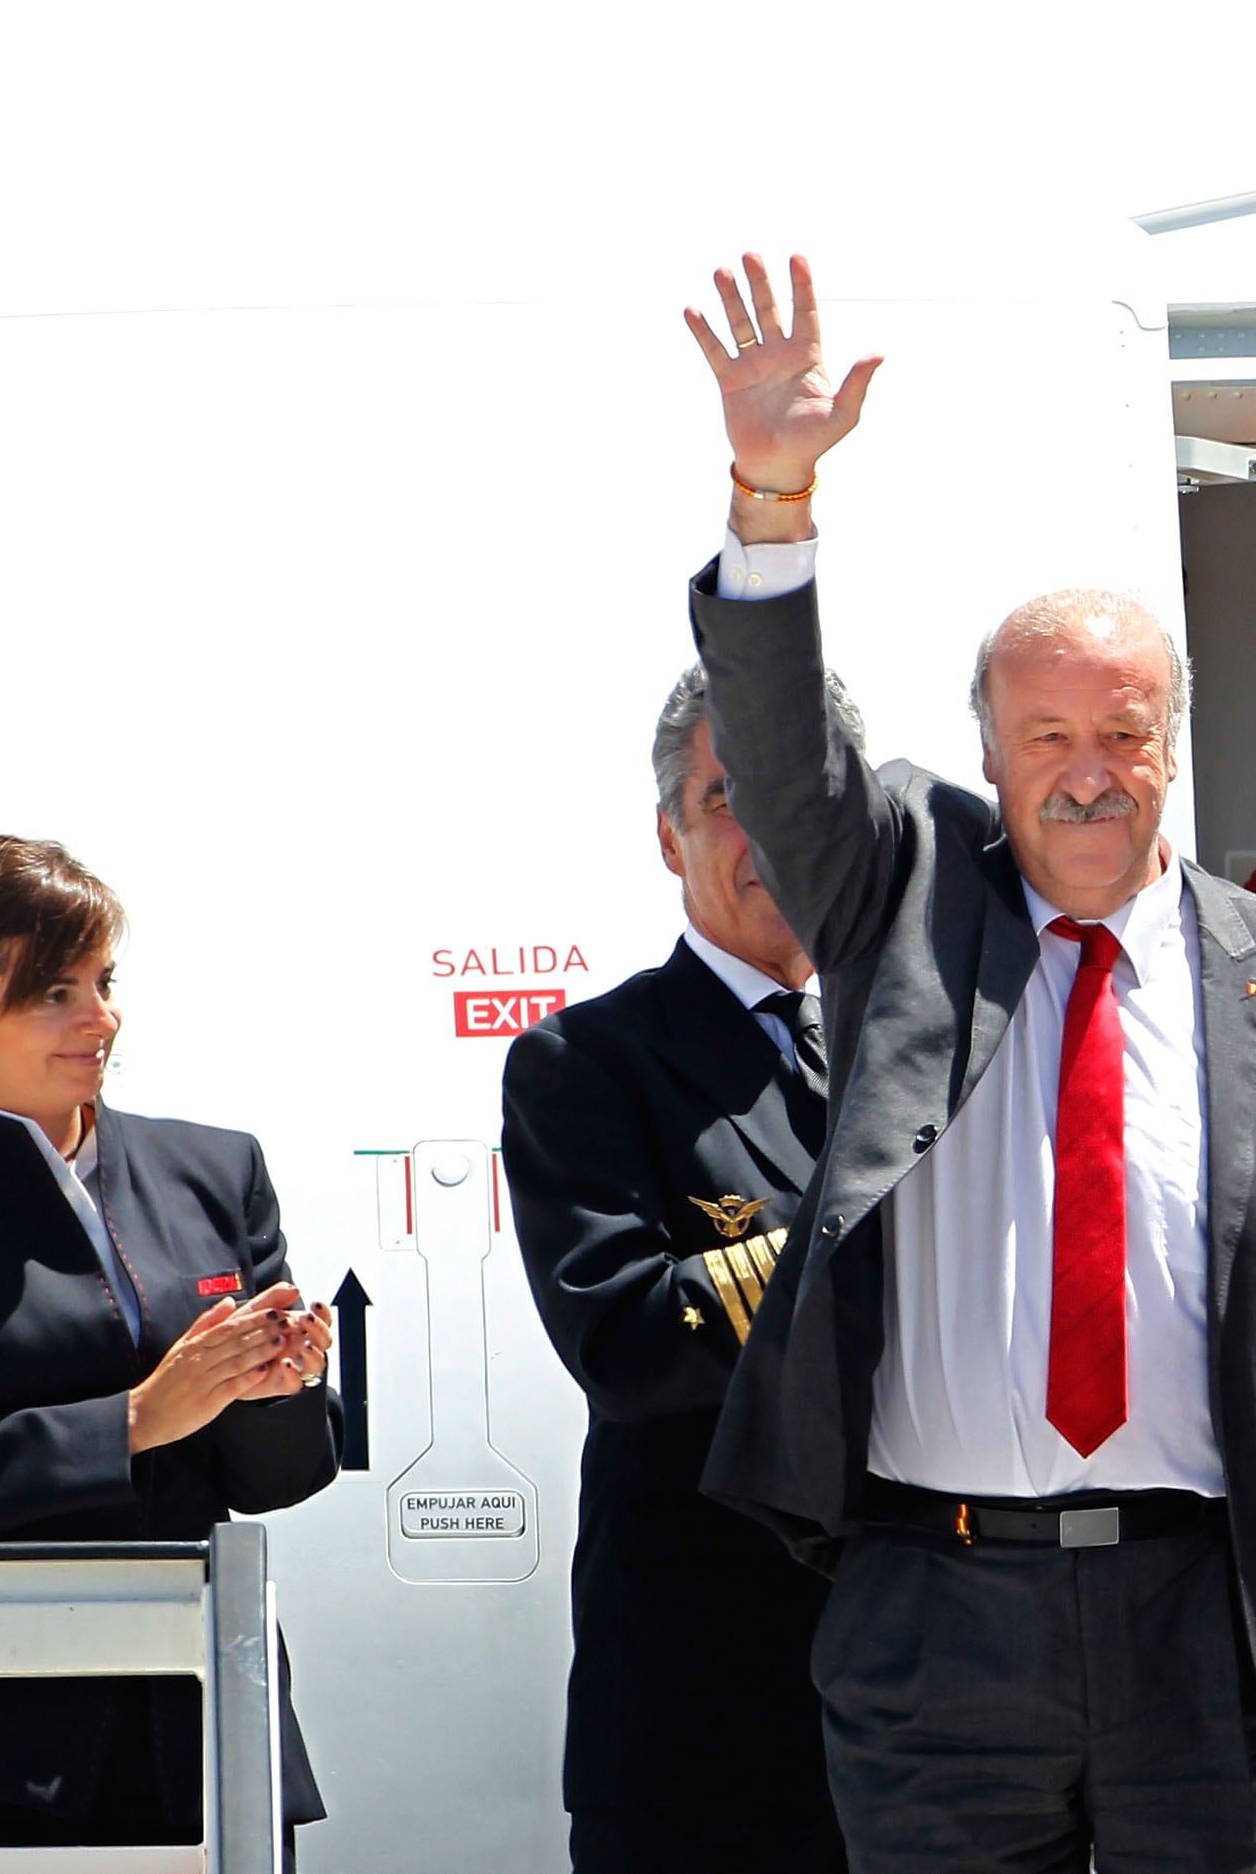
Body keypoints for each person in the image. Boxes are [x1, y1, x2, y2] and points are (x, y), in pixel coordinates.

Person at [673, 252, 1256, 1873]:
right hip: (939, 1617)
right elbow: (785, 750)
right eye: (1050, 741)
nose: (1091, 778)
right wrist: (772, 492)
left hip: (1214, 1619)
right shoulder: (906, 912)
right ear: (988, 757)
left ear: (1178, 736)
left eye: (1125, 736)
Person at [501, 665, 869, 1874]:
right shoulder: (588, 1061)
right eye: (728, 799)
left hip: (937, 1700)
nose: (766, 834)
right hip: (708, 1715)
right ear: (671, 835)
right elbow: (627, 1337)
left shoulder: (925, 1048)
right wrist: (867, 1231)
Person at [0, 836, 338, 1851]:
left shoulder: (213, 1166)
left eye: (105, 981)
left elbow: (276, 1481)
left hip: (211, 1730)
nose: (101, 1017)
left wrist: (276, 1388)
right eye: (53, 992)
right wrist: (131, 1422)